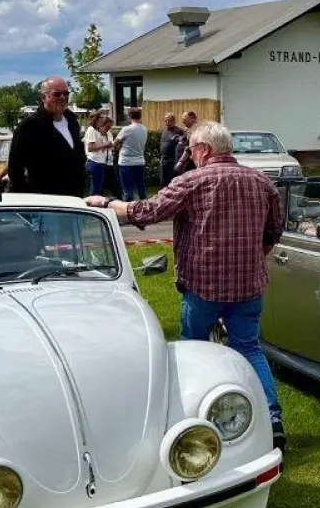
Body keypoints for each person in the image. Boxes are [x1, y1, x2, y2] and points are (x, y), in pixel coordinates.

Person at [87, 121, 286, 451]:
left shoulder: (192, 182)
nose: (189, 156)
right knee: (249, 348)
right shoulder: (261, 181)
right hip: (249, 287)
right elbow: (274, 232)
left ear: (204, 149)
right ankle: (272, 418)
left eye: (191, 150)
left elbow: (147, 211)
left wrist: (107, 203)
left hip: (202, 287)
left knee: (192, 347)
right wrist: (252, 259)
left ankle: (191, 420)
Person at [7, 76, 87, 196]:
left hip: (74, 199)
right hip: (45, 201)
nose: (63, 98)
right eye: (57, 94)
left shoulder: (72, 121)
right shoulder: (29, 126)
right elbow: (15, 170)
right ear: (43, 97)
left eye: (66, 94)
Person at [116, 107, 149, 200]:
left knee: (127, 190)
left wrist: (120, 145)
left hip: (126, 162)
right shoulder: (144, 129)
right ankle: (146, 210)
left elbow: (115, 143)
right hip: (139, 162)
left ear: (129, 116)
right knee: (141, 188)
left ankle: (128, 212)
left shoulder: (126, 129)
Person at [84, 112, 115, 196]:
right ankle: (91, 208)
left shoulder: (96, 131)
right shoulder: (91, 130)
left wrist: (106, 146)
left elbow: (98, 147)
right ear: (97, 119)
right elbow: (90, 147)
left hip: (99, 163)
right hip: (95, 163)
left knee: (97, 190)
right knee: (95, 191)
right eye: (101, 118)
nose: (103, 119)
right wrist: (105, 144)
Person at [158, 114, 186, 187]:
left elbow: (183, 144)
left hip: (173, 161)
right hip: (163, 160)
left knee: (172, 182)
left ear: (174, 121)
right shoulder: (164, 131)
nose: (167, 123)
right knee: (162, 182)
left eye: (169, 121)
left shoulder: (179, 131)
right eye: (166, 121)